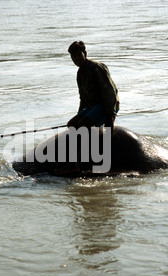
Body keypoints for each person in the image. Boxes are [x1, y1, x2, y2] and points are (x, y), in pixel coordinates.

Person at [54, 41, 120, 176]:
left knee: (83, 126)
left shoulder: (97, 67)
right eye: (73, 57)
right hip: (91, 107)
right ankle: (79, 157)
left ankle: (74, 165)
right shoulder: (80, 73)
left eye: (79, 55)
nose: (76, 59)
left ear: (85, 53)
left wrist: (110, 116)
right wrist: (80, 115)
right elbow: (83, 98)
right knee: (72, 124)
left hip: (104, 105)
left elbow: (110, 92)